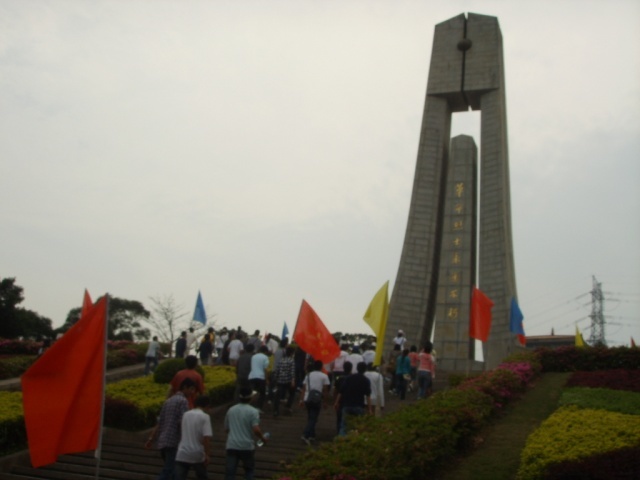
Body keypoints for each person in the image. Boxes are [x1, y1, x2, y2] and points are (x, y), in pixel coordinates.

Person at [146, 377, 197, 480]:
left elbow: (160, 422)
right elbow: (183, 421)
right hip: (174, 441)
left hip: (163, 441)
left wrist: (151, 438)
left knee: (173, 472)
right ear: (185, 387)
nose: (192, 392)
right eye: (191, 389)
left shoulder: (168, 401)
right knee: (169, 470)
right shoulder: (183, 401)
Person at [224, 387, 268, 480]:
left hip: (232, 445)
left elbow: (227, 429)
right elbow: (256, 429)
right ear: (251, 397)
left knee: (230, 473)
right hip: (246, 446)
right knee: (249, 470)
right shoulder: (253, 411)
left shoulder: (231, 409)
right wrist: (263, 438)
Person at [174, 395, 213, 480]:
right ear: (207, 406)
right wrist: (207, 454)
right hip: (197, 453)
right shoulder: (205, 417)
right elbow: (206, 438)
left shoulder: (185, 415)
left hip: (182, 452)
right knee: (202, 476)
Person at [335, 362, 372, 436]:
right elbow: (368, 396)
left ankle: (341, 441)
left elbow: (341, 391)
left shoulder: (349, 378)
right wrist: (369, 409)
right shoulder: (366, 380)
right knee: (358, 426)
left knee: (344, 426)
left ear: (357, 368)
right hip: (359, 405)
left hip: (347, 405)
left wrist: (336, 402)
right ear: (365, 370)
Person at [299, 359, 330, 445]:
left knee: (310, 417)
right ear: (321, 367)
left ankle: (312, 435)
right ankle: (306, 434)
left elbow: (304, 389)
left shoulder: (308, 375)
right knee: (313, 418)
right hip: (317, 399)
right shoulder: (324, 376)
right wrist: (325, 402)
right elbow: (325, 390)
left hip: (307, 398)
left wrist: (301, 400)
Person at [272, 345, 296, 417]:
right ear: (292, 353)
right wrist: (293, 380)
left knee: (277, 396)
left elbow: (277, 370)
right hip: (288, 380)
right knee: (292, 394)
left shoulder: (281, 360)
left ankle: (276, 410)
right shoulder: (291, 361)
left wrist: (275, 379)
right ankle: (288, 407)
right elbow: (292, 371)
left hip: (280, 380)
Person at [248, 345, 270, 412]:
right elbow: (265, 369)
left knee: (252, 392)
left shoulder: (253, 356)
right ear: (265, 351)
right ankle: (258, 408)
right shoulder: (265, 357)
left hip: (252, 376)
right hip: (261, 377)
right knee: (262, 393)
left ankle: (249, 405)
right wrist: (267, 379)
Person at [333, 361, 353, 434]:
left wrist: (335, 401)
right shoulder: (352, 378)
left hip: (340, 401)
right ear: (351, 368)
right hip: (349, 401)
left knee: (339, 418)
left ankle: (339, 432)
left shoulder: (339, 378)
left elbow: (335, 390)